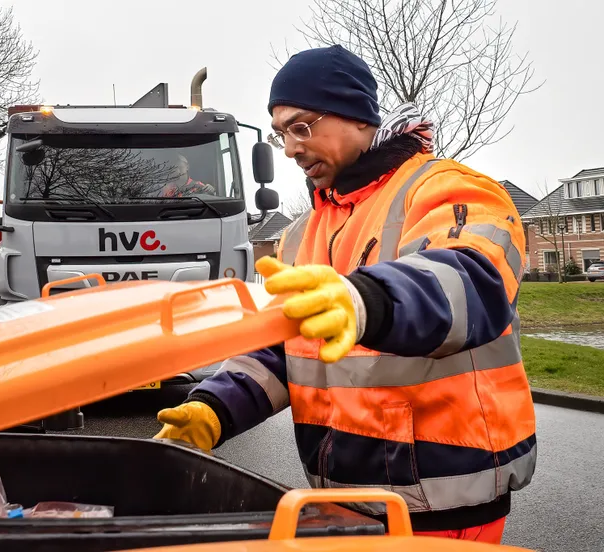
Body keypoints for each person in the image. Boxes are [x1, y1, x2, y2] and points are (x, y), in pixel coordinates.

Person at [153, 45, 536, 544]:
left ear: (354, 115)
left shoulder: (449, 190)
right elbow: (283, 348)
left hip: (442, 503)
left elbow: (473, 282)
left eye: (300, 127)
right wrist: (213, 408)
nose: (289, 149)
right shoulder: (300, 233)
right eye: (280, 134)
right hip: (342, 501)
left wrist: (363, 301)